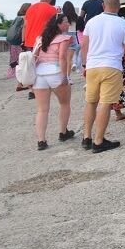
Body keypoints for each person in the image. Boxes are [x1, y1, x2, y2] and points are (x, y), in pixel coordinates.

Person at [81, 0, 125, 153]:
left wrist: (85, 65)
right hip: (112, 66)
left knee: (91, 102)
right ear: (118, 7)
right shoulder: (123, 24)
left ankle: (86, 137)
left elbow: (84, 45)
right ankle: (99, 141)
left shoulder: (91, 22)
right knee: (105, 103)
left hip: (92, 66)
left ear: (103, 5)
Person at [32, 14, 74, 150]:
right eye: (66, 22)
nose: (68, 24)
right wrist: (65, 76)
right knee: (64, 103)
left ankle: (41, 140)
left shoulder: (40, 39)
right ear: (58, 24)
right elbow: (62, 58)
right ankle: (63, 132)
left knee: (42, 109)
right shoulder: (63, 38)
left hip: (39, 74)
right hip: (55, 72)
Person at [6, 2, 30, 84]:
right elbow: (25, 29)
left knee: (13, 57)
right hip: (20, 40)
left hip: (13, 41)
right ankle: (21, 75)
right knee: (22, 58)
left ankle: (11, 73)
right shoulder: (26, 18)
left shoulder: (17, 17)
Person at [61, 1, 81, 77]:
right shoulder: (75, 17)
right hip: (72, 37)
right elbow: (78, 28)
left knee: (62, 58)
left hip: (63, 37)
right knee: (69, 60)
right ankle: (68, 77)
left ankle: (62, 76)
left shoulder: (62, 17)